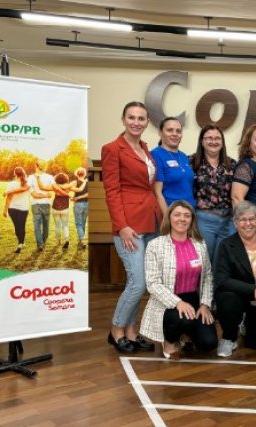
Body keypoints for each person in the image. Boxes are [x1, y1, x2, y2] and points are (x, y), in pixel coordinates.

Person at [102, 101, 162, 354]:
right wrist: (122, 226)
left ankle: (131, 331)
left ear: (147, 122)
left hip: (151, 220)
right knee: (137, 282)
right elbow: (112, 191)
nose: (136, 122)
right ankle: (116, 330)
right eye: (131, 117)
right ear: (123, 120)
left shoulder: (145, 148)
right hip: (130, 225)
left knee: (145, 281)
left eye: (141, 118)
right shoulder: (112, 149)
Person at [140, 201, 217, 359]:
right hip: (167, 301)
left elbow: (208, 275)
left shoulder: (200, 244)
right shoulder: (155, 245)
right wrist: (178, 303)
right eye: (177, 215)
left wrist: (204, 304)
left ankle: (186, 336)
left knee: (208, 343)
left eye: (187, 215)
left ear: (191, 220)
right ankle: (169, 342)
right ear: (169, 218)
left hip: (194, 298)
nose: (182, 219)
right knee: (183, 319)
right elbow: (153, 283)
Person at [214, 201, 256, 357]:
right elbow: (222, 279)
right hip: (238, 296)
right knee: (227, 299)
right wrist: (253, 289)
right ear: (235, 223)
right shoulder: (227, 245)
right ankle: (229, 337)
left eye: (252, 219)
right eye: (242, 219)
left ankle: (246, 323)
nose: (247, 223)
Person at [192, 124, 236, 265]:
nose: (213, 141)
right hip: (204, 220)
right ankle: (203, 288)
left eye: (217, 138)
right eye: (209, 138)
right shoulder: (191, 162)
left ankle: (218, 288)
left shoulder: (232, 164)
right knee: (204, 262)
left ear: (222, 142)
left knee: (222, 261)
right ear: (201, 141)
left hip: (228, 220)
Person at [151, 117, 195, 216]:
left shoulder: (183, 156)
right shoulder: (156, 155)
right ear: (160, 132)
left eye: (178, 131)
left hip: (189, 213)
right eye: (169, 130)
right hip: (172, 214)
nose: (174, 134)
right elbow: (157, 193)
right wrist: (168, 218)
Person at [28, 161, 55, 252]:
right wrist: (45, 195)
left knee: (37, 225)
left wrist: (40, 194)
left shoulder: (31, 177)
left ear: (36, 166)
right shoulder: (50, 177)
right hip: (45, 204)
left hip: (36, 204)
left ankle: (40, 244)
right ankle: (41, 243)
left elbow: (34, 194)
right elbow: (51, 190)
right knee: (45, 225)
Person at [3, 166, 30, 254]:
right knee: (21, 226)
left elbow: (8, 198)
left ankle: (20, 243)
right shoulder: (27, 182)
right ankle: (21, 243)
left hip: (12, 208)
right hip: (23, 208)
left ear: (15, 174)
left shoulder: (11, 184)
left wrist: (5, 209)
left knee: (17, 227)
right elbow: (23, 189)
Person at [51, 173, 72, 249]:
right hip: (65, 208)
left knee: (57, 225)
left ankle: (58, 241)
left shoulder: (55, 187)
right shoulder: (68, 187)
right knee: (65, 225)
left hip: (55, 207)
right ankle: (66, 239)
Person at [70, 167, 89, 249]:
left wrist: (77, 198)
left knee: (79, 223)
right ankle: (81, 240)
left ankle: (82, 240)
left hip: (78, 205)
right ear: (84, 174)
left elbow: (74, 190)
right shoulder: (88, 182)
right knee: (83, 223)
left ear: (77, 174)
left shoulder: (75, 182)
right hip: (87, 204)